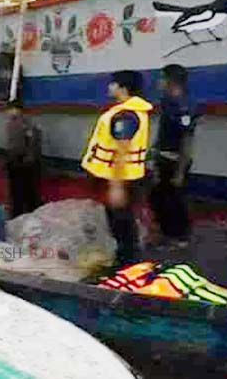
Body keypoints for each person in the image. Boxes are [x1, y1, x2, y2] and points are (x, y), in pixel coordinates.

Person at [81, 70, 153, 266]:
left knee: (122, 224)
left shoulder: (126, 116)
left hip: (123, 179)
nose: (109, 87)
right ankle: (126, 259)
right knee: (119, 222)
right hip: (123, 177)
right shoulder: (126, 111)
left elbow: (122, 149)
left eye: (112, 84)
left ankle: (127, 264)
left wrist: (116, 185)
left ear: (122, 88)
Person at [150, 64, 196, 247]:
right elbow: (163, 133)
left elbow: (186, 139)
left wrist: (180, 172)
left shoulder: (184, 106)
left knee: (174, 201)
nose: (158, 82)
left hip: (175, 161)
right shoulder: (166, 102)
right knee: (157, 198)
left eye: (162, 78)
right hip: (163, 158)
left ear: (171, 81)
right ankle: (166, 233)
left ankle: (180, 238)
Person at [6, 101, 42, 218]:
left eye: (11, 110)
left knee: (27, 191)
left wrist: (29, 158)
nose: (9, 113)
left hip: (24, 163)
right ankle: (17, 213)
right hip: (14, 161)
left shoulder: (27, 125)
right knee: (16, 192)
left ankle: (27, 213)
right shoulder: (11, 124)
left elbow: (33, 143)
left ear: (18, 110)